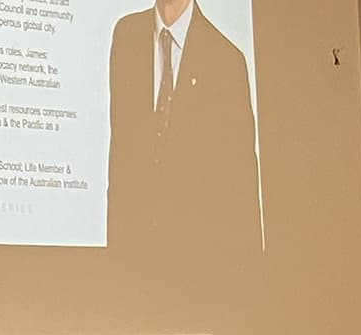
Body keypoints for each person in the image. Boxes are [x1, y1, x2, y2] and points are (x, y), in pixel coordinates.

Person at [107, 0, 261, 254]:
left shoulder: (226, 60)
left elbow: (242, 188)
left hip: (197, 265)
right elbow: (120, 161)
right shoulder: (126, 36)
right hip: (131, 264)